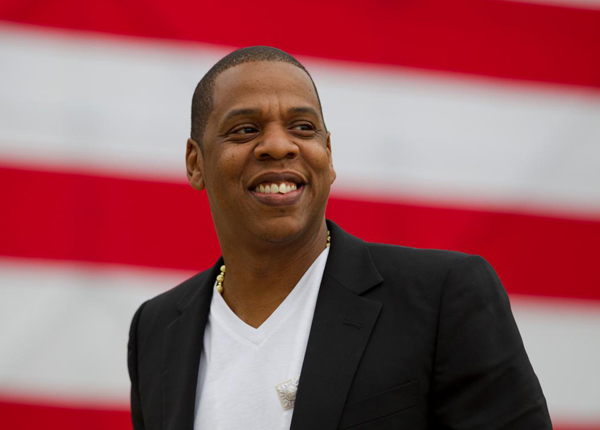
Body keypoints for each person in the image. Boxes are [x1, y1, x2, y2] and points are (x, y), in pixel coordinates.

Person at [127, 46, 552, 430]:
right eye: (244, 129)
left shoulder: (442, 296)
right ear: (195, 163)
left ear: (328, 155)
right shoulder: (156, 329)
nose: (278, 145)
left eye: (302, 127)